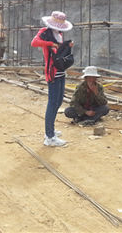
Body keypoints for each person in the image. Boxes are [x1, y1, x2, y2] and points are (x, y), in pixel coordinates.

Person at [31, 10, 74, 147]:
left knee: (58, 102)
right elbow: (34, 42)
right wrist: (50, 44)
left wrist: (67, 46)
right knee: (52, 102)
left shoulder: (59, 34)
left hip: (61, 71)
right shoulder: (45, 32)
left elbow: (59, 51)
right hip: (52, 72)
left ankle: (51, 130)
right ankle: (49, 136)